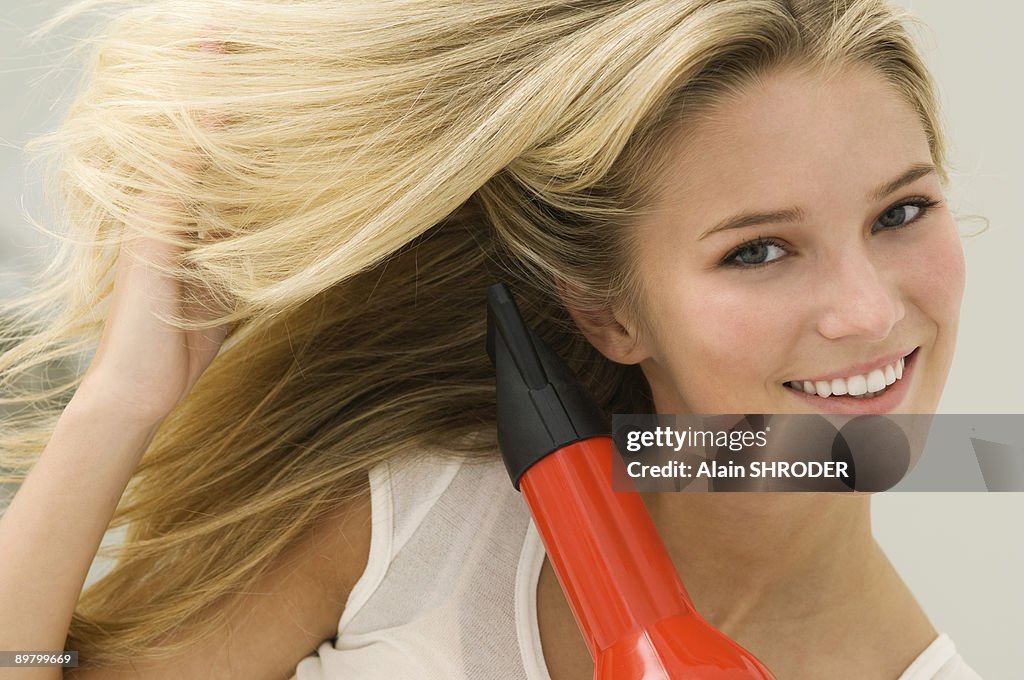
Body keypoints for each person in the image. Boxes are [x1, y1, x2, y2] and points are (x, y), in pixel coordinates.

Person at [0, 0, 983, 678]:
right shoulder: (418, 517)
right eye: (758, 249)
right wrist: (121, 398)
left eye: (900, 213)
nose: (865, 310)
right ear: (610, 311)